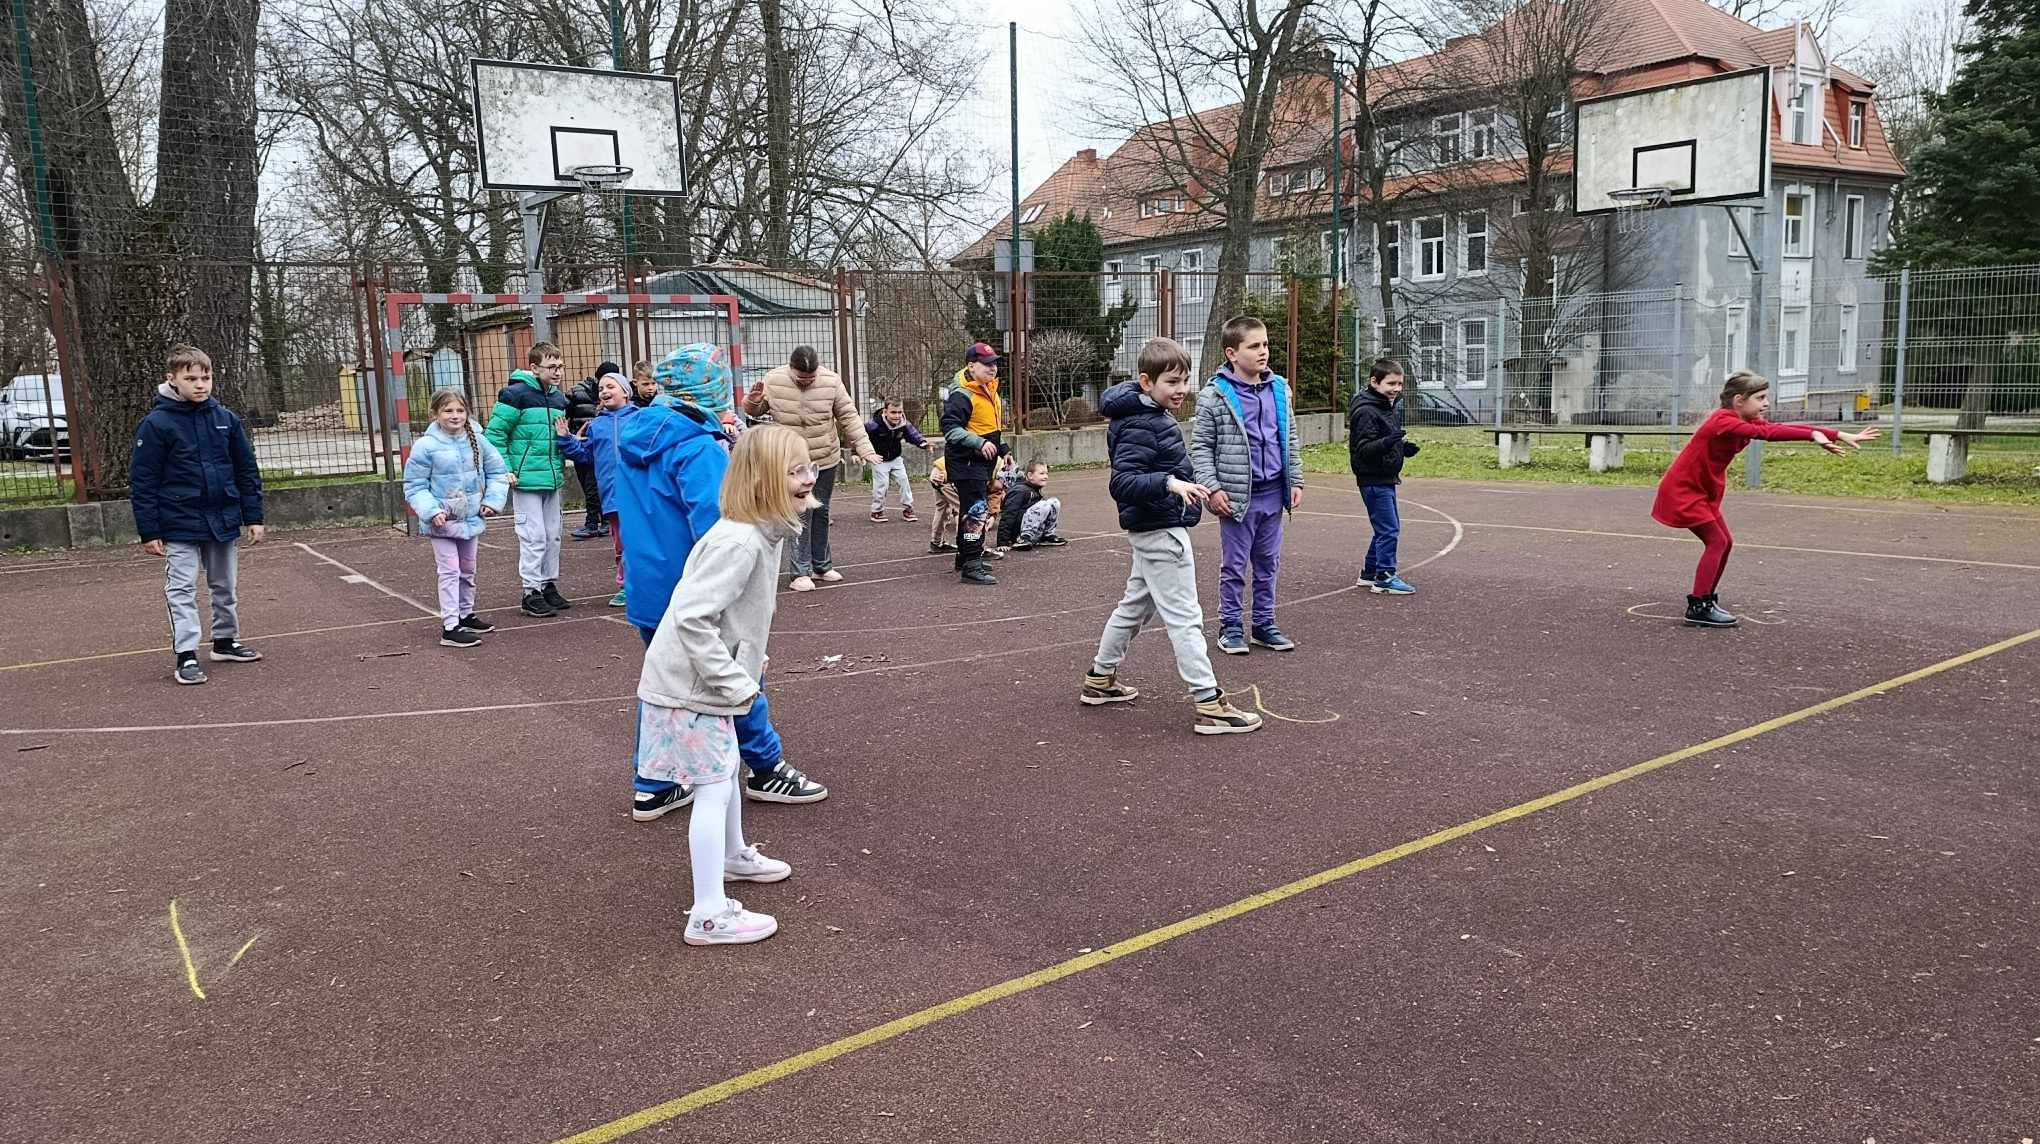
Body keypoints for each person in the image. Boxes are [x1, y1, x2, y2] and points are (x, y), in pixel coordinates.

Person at [614, 343, 829, 820]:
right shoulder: (697, 449)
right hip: (701, 590)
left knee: (666, 686)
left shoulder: (633, 437)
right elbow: (721, 521)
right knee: (733, 676)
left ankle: (653, 780)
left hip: (649, 583)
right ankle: (766, 764)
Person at [639, 425, 811, 946]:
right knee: (711, 789)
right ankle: (708, 914)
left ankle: (734, 856)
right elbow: (691, 618)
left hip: (707, 683)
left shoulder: (762, 530)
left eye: (809, 467)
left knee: (726, 770)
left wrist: (745, 665)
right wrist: (734, 678)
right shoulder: (739, 542)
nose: (809, 478)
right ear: (763, 480)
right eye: (796, 470)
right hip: (690, 687)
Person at [1081, 338, 1261, 735]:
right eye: (1172, 382)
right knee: (1185, 618)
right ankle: (1209, 702)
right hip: (1161, 530)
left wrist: (1191, 486)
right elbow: (1123, 481)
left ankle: (1100, 678)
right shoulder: (1142, 422)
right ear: (1146, 382)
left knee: (1134, 607)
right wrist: (1171, 484)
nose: (1181, 390)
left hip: (1154, 527)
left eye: (1185, 381)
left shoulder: (1148, 414)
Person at [1653, 369, 1878, 627]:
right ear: (1739, 400)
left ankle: (1707, 598)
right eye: (1760, 398)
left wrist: (1834, 434)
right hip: (1684, 490)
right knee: (1716, 541)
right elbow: (1768, 434)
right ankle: (1698, 606)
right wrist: (1813, 436)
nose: (1766, 403)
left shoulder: (1742, 420)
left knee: (1725, 542)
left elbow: (1774, 427)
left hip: (1702, 489)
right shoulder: (1723, 422)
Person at [129, 343, 266, 685]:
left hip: (222, 518)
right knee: (182, 588)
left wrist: (253, 516)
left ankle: (225, 641)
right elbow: (142, 480)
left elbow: (246, 470)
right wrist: (149, 530)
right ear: (172, 379)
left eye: (205, 377)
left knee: (224, 585)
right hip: (178, 522)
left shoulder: (225, 419)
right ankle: (187, 654)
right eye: (191, 378)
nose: (200, 384)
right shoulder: (156, 424)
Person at [1191, 315, 1303, 656]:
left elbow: (1290, 438)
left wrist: (1295, 479)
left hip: (1273, 493)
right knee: (1235, 566)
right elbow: (1200, 448)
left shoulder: (1279, 390)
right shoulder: (1214, 396)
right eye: (1254, 346)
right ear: (1232, 353)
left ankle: (1264, 624)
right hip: (1238, 498)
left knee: (1268, 563)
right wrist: (1212, 488)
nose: (1263, 352)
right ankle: (1231, 626)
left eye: (1266, 344)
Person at [741, 345, 880, 591]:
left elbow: (848, 415)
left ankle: (821, 566)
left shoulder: (831, 381)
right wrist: (751, 403)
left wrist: (864, 447)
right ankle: (799, 572)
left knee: (822, 510)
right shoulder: (773, 380)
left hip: (824, 458)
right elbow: (757, 410)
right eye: (801, 378)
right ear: (791, 369)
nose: (806, 382)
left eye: (811, 378)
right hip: (791, 462)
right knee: (800, 512)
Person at [403, 389, 512, 646]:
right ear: (436, 414)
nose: (455, 416)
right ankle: (450, 626)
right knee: (449, 571)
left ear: (467, 413)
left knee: (468, 569)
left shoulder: (478, 439)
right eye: (448, 410)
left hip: (471, 519)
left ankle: (466, 614)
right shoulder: (426, 446)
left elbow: (497, 471)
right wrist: (432, 511)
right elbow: (414, 485)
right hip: (442, 523)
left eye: (460, 410)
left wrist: (492, 502)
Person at [483, 341, 572, 617]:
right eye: (551, 367)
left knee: (552, 535)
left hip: (551, 477)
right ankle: (530, 590)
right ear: (534, 368)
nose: (557, 372)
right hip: (524, 479)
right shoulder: (514, 395)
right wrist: (505, 468)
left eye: (560, 366)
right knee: (533, 536)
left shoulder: (559, 399)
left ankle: (548, 584)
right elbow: (494, 435)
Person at [557, 372, 637, 607]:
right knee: (621, 542)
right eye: (601, 388)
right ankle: (625, 585)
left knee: (642, 540)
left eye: (610, 386)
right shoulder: (597, 425)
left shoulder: (640, 419)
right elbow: (584, 455)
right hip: (612, 495)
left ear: (625, 392)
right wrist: (566, 440)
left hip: (639, 493)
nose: (604, 391)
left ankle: (646, 584)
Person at [1346, 357, 1421, 595]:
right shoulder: (1367, 410)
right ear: (1375, 382)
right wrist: (1390, 442)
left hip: (1384, 476)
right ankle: (1385, 576)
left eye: (1399, 384)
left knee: (1385, 528)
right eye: (1391, 384)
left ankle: (1370, 573)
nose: (1396, 389)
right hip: (1373, 479)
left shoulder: (1384, 405)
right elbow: (1364, 449)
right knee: (1389, 529)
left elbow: (1386, 438)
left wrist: (1402, 448)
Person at [939, 342, 1012, 585]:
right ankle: (971, 564)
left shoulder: (988, 388)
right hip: (966, 462)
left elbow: (989, 427)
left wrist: (1003, 449)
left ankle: (965, 556)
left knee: (973, 510)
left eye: (994, 364)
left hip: (981, 462)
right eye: (986, 364)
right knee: (976, 512)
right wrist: (978, 443)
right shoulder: (962, 394)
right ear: (971, 365)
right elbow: (950, 430)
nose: (992, 369)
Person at [564, 360, 619, 540]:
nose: (606, 390)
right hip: (583, 444)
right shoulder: (577, 393)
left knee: (597, 484)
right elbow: (564, 415)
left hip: (602, 447)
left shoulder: (618, 397)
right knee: (589, 487)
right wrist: (572, 437)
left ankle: (600, 522)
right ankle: (594, 521)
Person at [864, 397, 931, 522]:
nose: (897, 416)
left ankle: (908, 508)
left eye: (900, 412)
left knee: (903, 481)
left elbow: (913, 434)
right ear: (885, 412)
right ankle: (877, 511)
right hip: (879, 459)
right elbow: (860, 437)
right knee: (882, 484)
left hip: (895, 458)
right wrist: (859, 453)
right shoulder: (874, 424)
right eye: (893, 412)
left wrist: (922, 443)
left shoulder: (903, 423)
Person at [998, 459, 1066, 551]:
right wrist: (1002, 542)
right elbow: (1008, 514)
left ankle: (1047, 535)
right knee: (1043, 505)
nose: (1046, 477)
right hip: (1018, 533)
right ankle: (1023, 539)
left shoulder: (1034, 489)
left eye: (1046, 473)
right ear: (1030, 476)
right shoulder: (1019, 491)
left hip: (1033, 531)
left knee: (1054, 502)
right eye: (1042, 474)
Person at [926, 452, 959, 554]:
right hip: (947, 475)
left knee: (942, 508)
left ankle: (936, 543)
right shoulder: (996, 464)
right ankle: (969, 546)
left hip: (938, 470)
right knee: (965, 510)